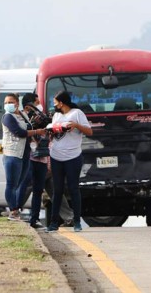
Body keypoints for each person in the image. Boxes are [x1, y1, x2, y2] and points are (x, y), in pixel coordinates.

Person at [45, 91, 93, 233]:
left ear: (62, 102)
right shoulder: (56, 115)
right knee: (57, 190)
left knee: (73, 189)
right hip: (56, 157)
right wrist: (51, 131)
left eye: (56, 102)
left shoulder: (77, 113)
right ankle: (54, 222)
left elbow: (89, 132)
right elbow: (53, 133)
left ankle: (77, 221)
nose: (54, 105)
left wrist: (76, 125)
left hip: (73, 157)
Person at [1, 93, 46, 221]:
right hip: (12, 154)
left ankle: (15, 211)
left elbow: (28, 127)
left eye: (10, 102)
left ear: (16, 103)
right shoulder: (7, 117)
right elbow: (19, 132)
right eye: (5, 103)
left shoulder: (22, 114)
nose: (8, 105)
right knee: (11, 184)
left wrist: (35, 132)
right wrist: (37, 132)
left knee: (19, 183)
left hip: (25, 154)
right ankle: (13, 211)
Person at [17, 93, 51, 228]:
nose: (39, 106)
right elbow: (22, 133)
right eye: (36, 103)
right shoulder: (21, 118)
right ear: (28, 106)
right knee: (24, 184)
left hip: (41, 157)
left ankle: (34, 219)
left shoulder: (41, 118)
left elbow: (47, 133)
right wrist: (35, 128)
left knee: (38, 189)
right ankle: (14, 211)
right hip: (29, 157)